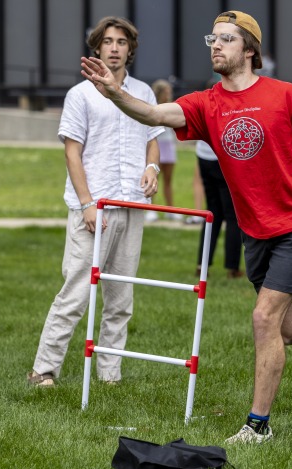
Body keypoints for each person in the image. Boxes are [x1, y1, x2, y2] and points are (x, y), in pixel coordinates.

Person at [81, 10, 292, 443]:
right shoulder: (206, 104)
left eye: (226, 39)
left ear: (250, 50)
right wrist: (114, 94)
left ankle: (258, 426)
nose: (215, 46)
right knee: (289, 329)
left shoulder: (287, 95)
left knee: (263, 318)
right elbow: (152, 114)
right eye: (212, 39)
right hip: (255, 230)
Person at [28, 16, 163, 387]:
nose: (115, 48)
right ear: (97, 48)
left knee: (120, 299)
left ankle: (109, 374)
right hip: (93, 209)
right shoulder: (80, 95)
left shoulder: (144, 93)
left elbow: (153, 136)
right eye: (108, 42)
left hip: (132, 206)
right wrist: (87, 203)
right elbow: (73, 153)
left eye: (121, 42)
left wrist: (152, 166)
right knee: (75, 294)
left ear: (130, 49)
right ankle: (44, 370)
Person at [195, 140, 243, 278]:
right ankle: (232, 268)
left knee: (212, 212)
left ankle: (202, 265)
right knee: (232, 215)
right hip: (224, 156)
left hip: (203, 155)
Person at [148, 79, 183, 222]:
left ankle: (170, 209)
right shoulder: (151, 107)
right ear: (159, 93)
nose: (169, 94)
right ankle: (151, 210)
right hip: (157, 144)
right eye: (166, 91)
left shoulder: (171, 106)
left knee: (168, 180)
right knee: (154, 179)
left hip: (168, 145)